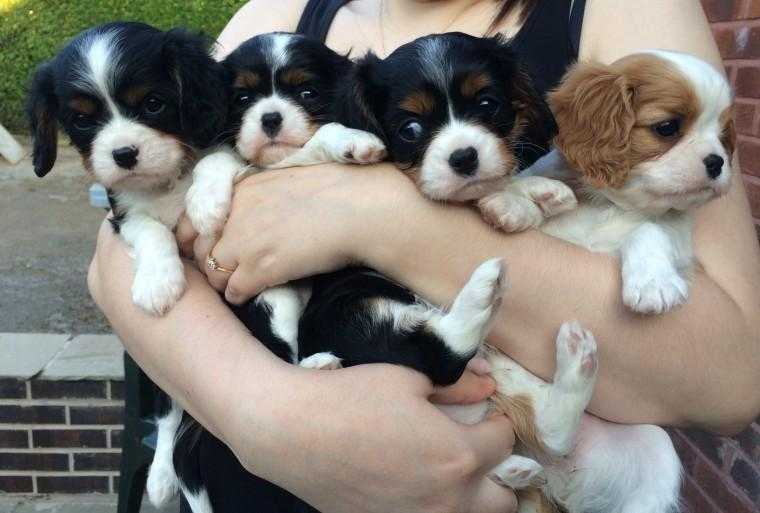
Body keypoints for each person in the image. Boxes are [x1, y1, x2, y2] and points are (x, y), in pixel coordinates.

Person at [88, 1, 760, 512]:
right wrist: (270, 413)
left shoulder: (625, 11)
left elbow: (733, 378)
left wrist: (379, 217)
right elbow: (119, 247)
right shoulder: (276, 14)